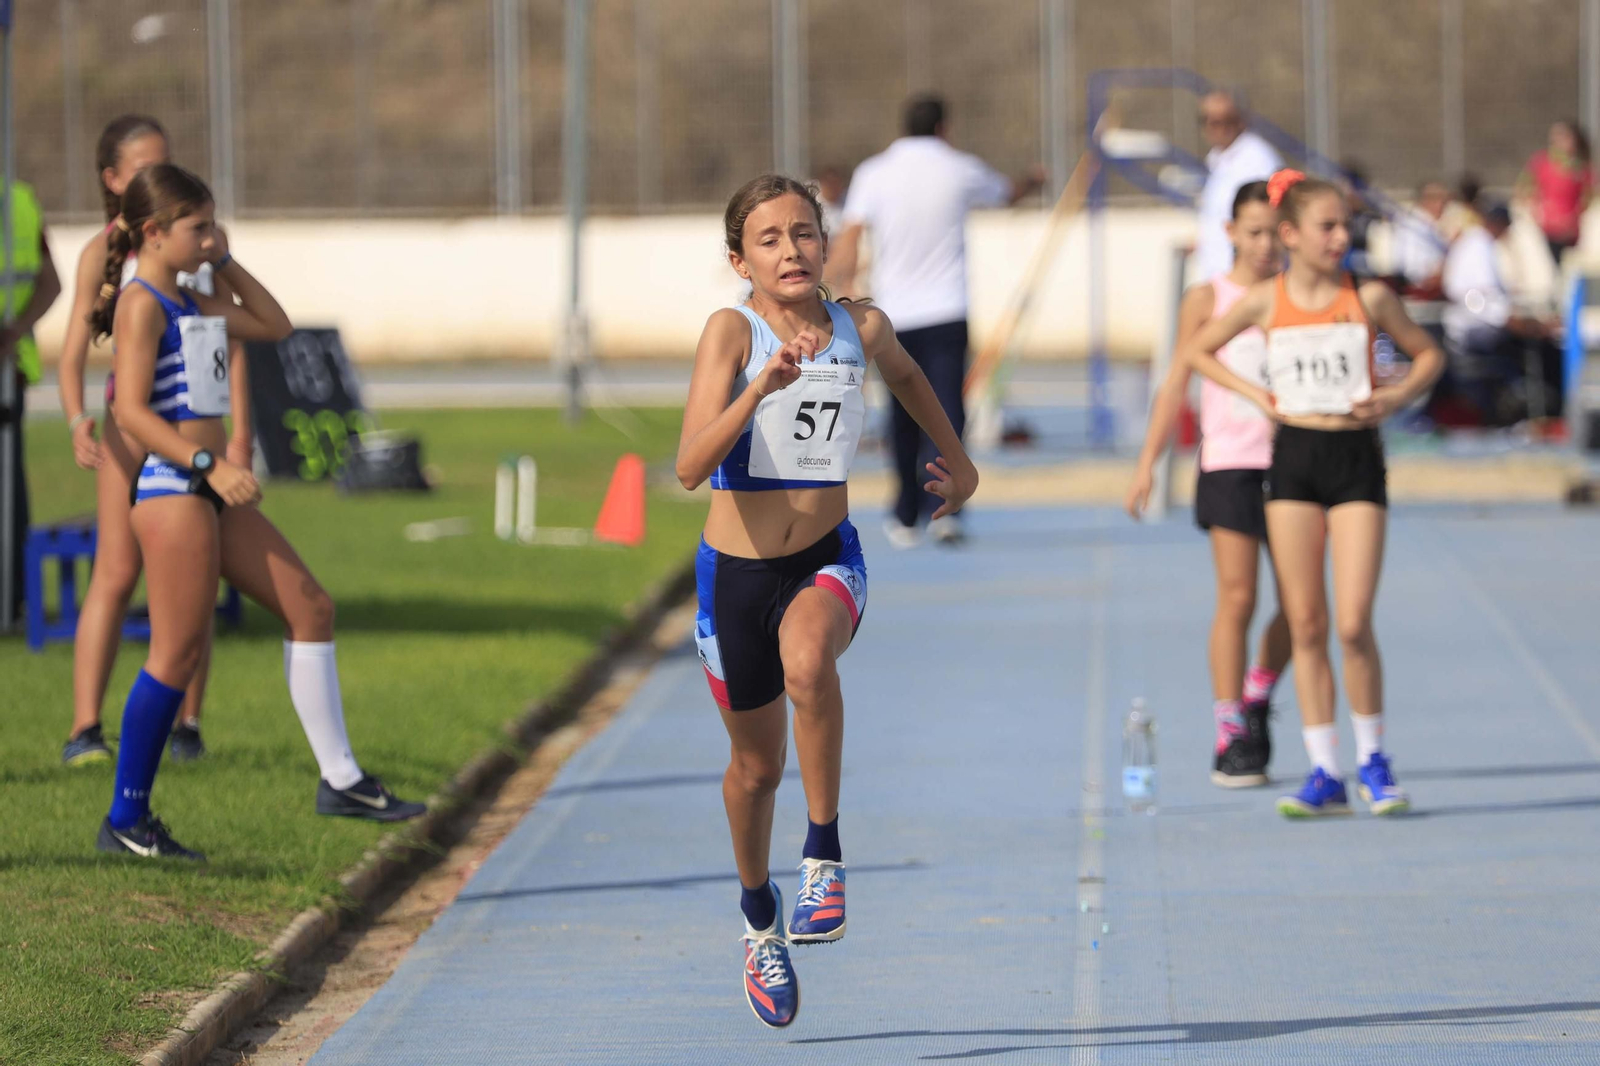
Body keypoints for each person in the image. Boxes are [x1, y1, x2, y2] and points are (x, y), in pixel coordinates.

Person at [677, 174, 977, 1027]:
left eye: (805, 233)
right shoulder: (732, 331)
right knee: (754, 769)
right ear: (740, 260)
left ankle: (824, 857)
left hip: (825, 559)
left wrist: (960, 460)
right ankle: (757, 917)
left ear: (829, 243)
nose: (792, 250)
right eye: (769, 239)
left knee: (809, 662)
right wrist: (759, 388)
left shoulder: (861, 324)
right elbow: (691, 464)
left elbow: (913, 379)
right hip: (732, 580)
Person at [91, 164, 425, 862]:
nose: (210, 237)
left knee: (311, 607)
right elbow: (127, 411)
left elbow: (273, 325)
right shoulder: (141, 303)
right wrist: (209, 466)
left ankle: (342, 780)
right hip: (175, 488)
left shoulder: (189, 296)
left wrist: (226, 258)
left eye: (213, 226)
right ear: (153, 233)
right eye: (198, 228)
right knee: (177, 653)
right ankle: (127, 819)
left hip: (211, 490)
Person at [1181, 169, 1443, 819]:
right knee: (1305, 622)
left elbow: (1427, 355)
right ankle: (1324, 769)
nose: (1340, 236)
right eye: (1327, 226)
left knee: (1352, 623)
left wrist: (1397, 395)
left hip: (1355, 461)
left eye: (1345, 225)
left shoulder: (1370, 296)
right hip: (1293, 460)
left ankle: (1374, 761)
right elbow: (1197, 350)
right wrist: (1257, 393)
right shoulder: (1266, 301)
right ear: (1291, 234)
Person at [59, 115, 234, 767]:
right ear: (113, 181)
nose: (158, 176)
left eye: (167, 162)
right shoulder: (103, 254)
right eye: (142, 168)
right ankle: (85, 730)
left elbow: (228, 343)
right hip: (131, 431)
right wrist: (78, 418)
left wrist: (235, 438)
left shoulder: (194, 237)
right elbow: (74, 355)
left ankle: (187, 724)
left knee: (195, 575)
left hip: (192, 429)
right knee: (117, 569)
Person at [1126, 181, 1290, 788]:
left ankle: (1258, 692)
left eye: (1276, 232)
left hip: (1297, 462)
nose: (1266, 244)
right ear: (1230, 233)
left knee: (1303, 608)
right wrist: (1149, 462)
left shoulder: (1298, 295)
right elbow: (1177, 380)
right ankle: (1229, 726)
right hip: (1230, 461)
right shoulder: (1208, 297)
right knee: (1239, 597)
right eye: (1254, 232)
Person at [827, 94, 1039, 548]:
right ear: (944, 127)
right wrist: (1033, 180)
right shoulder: (958, 167)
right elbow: (1008, 193)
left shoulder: (873, 172)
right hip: (946, 309)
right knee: (945, 412)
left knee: (901, 414)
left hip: (894, 316)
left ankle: (905, 511)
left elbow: (849, 238)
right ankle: (946, 509)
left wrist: (836, 295)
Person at [1442, 202, 1565, 423]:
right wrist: (1518, 322)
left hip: (1481, 326)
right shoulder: (1478, 245)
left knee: (1540, 344)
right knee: (1544, 351)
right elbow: (1477, 297)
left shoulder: (1477, 243)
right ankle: (1549, 412)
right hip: (1474, 332)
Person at [1, 176, 62, 625]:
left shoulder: (20, 199)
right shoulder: (19, 197)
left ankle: (14, 600)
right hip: (10, 366)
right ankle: (14, 599)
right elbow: (51, 283)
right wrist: (16, 332)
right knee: (10, 490)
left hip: (8, 370)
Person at [1193, 90, 1283, 283]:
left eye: (1227, 119)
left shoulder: (1258, 160)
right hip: (1220, 277)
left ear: (1241, 120)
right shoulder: (1218, 160)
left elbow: (1267, 220)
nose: (1218, 128)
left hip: (1249, 281)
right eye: (1209, 120)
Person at [1517, 120, 1594, 268]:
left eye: (1565, 137)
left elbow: (1588, 195)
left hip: (1571, 231)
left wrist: (1576, 214)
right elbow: (1525, 188)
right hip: (1548, 228)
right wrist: (1536, 211)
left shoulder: (1580, 167)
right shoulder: (1542, 162)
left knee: (1568, 267)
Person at [1390, 180, 1452, 292]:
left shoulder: (1429, 225)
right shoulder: (1414, 226)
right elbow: (1413, 269)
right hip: (1420, 293)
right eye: (1443, 200)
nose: (1445, 206)